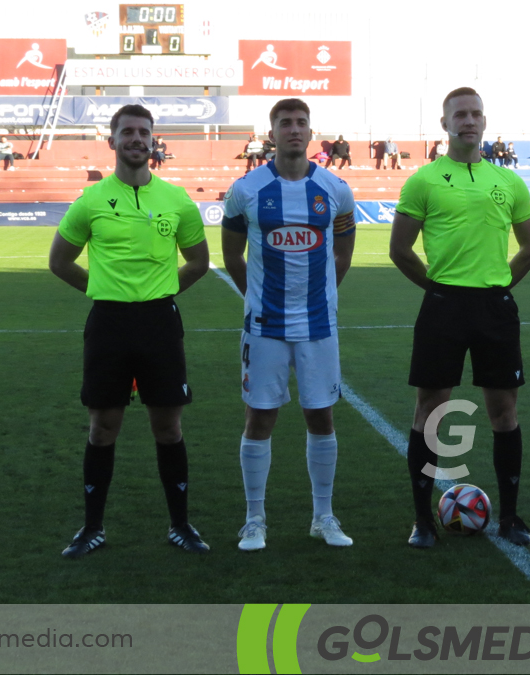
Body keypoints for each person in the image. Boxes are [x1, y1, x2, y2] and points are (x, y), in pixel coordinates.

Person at [49, 104, 212, 558]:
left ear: (153, 140)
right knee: (103, 427)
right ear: (113, 140)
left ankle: (180, 525)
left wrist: (160, 291)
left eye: (144, 132)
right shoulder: (91, 200)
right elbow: (59, 262)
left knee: (168, 426)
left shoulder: (177, 200)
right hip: (109, 324)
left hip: (160, 322)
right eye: (128, 132)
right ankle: (92, 528)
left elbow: (198, 262)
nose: (136, 139)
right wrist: (102, 290)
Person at [389, 86, 530, 549]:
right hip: (443, 308)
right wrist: (437, 290)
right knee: (430, 409)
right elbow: (400, 250)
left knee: (504, 411)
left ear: (484, 122)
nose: (468, 121)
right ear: (445, 124)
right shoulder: (423, 181)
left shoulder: (509, 182)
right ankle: (422, 521)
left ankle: (511, 517)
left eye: (475, 113)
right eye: (460, 114)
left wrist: (498, 286)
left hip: (494, 307)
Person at [220, 98, 358, 552]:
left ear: (310, 131)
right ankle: (253, 519)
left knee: (321, 416)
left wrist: (326, 296)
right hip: (265, 326)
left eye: (301, 123)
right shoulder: (247, 189)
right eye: (285, 123)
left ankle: (323, 515)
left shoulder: (335, 189)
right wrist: (255, 298)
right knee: (259, 417)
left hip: (319, 325)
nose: (294, 130)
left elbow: (342, 251)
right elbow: (231, 255)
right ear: (272, 132)